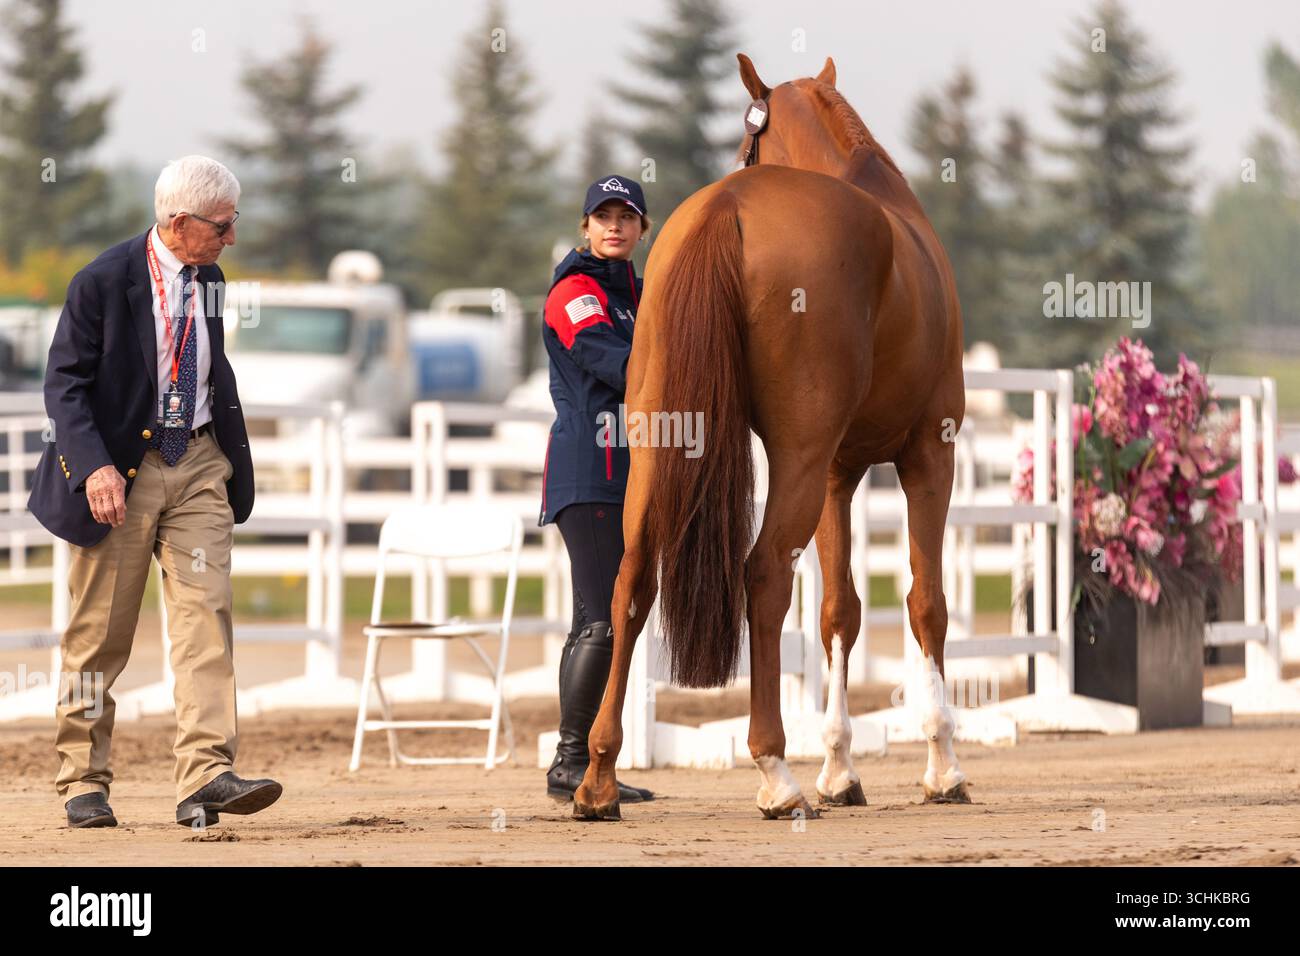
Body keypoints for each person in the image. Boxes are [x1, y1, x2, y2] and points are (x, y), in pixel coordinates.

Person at [27, 155, 280, 829]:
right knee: (99, 636)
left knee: (207, 618)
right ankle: (82, 779)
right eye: (222, 227)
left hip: (196, 462)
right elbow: (64, 387)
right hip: (120, 472)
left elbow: (203, 363)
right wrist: (94, 467)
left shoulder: (212, 279)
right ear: (178, 223)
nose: (231, 239)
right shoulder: (102, 282)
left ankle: (206, 775)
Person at [539, 174, 656, 803]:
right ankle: (570, 764)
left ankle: (586, 761)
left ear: (642, 229)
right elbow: (607, 360)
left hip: (631, 468)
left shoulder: (640, 294)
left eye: (627, 217)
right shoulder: (575, 290)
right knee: (599, 620)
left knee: (615, 613)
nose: (614, 226)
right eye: (602, 216)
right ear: (585, 227)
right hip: (589, 469)